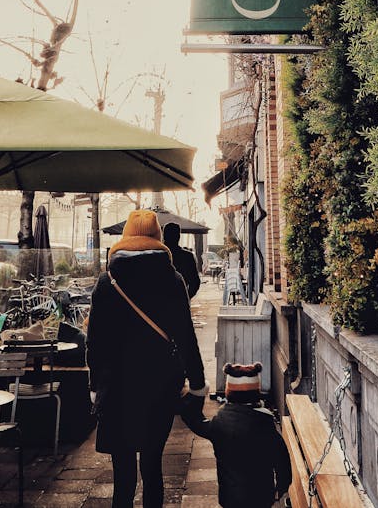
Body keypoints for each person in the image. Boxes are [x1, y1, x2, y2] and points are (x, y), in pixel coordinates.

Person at [86, 209, 207, 508]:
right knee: (152, 466)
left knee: (122, 474)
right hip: (159, 386)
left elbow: (95, 342)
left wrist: (93, 384)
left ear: (126, 237)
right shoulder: (172, 279)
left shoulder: (107, 281)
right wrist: (198, 385)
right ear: (158, 238)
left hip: (115, 388)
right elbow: (185, 336)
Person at [179, 361, 292, 508]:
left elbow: (195, 421)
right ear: (256, 395)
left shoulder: (219, 423)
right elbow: (281, 457)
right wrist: (282, 487)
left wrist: (193, 396)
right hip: (261, 496)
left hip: (230, 497)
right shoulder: (265, 423)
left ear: (229, 394)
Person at [162, 221, 201, 299]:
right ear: (178, 237)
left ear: (164, 236)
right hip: (180, 300)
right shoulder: (188, 257)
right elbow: (195, 282)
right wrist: (186, 297)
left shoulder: (157, 255)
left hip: (159, 302)